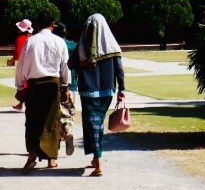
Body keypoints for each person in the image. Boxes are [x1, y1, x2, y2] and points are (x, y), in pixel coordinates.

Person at [13, 11, 70, 172]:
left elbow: (21, 66)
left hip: (34, 85)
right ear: (52, 24)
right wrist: (65, 87)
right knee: (52, 120)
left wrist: (20, 87)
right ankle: (52, 159)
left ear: (37, 25)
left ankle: (32, 154)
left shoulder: (30, 42)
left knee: (32, 120)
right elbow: (65, 66)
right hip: (53, 84)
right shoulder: (59, 42)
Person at [76, 13, 125, 177]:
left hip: (88, 91)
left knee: (93, 126)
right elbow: (119, 70)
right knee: (98, 125)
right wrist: (122, 90)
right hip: (107, 92)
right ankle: (96, 157)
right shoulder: (112, 46)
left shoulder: (82, 44)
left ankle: (97, 161)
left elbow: (71, 63)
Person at [52, 22, 78, 155]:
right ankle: (67, 133)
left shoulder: (52, 45)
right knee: (68, 112)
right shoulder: (74, 46)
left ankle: (56, 142)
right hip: (71, 84)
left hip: (54, 83)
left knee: (54, 114)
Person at [9, 19, 32, 111]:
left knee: (22, 85)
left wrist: (11, 61)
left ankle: (21, 104)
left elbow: (17, 54)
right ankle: (21, 104)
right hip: (31, 64)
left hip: (22, 65)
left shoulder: (20, 39)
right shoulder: (31, 38)